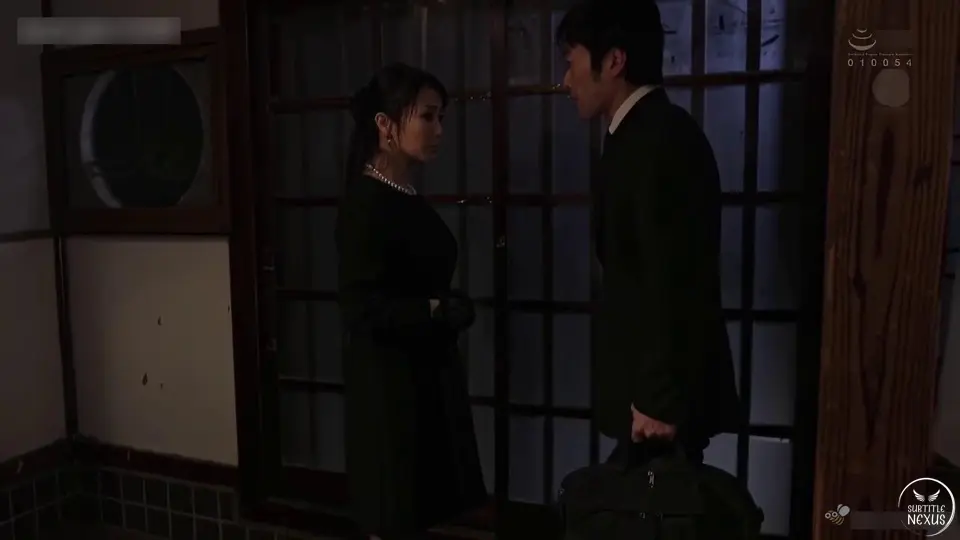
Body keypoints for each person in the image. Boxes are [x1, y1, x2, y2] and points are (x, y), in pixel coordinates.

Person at [555, 1, 741, 466]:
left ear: (614, 61)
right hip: (648, 389)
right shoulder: (639, 134)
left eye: (571, 62)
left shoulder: (659, 139)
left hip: (659, 401)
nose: (565, 80)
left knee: (657, 501)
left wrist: (657, 398)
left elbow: (673, 274)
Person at [335, 63, 487, 539]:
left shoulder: (402, 192)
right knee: (393, 517)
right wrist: (434, 310)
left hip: (423, 377)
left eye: (441, 117)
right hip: (389, 387)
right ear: (385, 124)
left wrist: (444, 304)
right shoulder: (366, 203)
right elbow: (361, 308)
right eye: (427, 116)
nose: (438, 130)